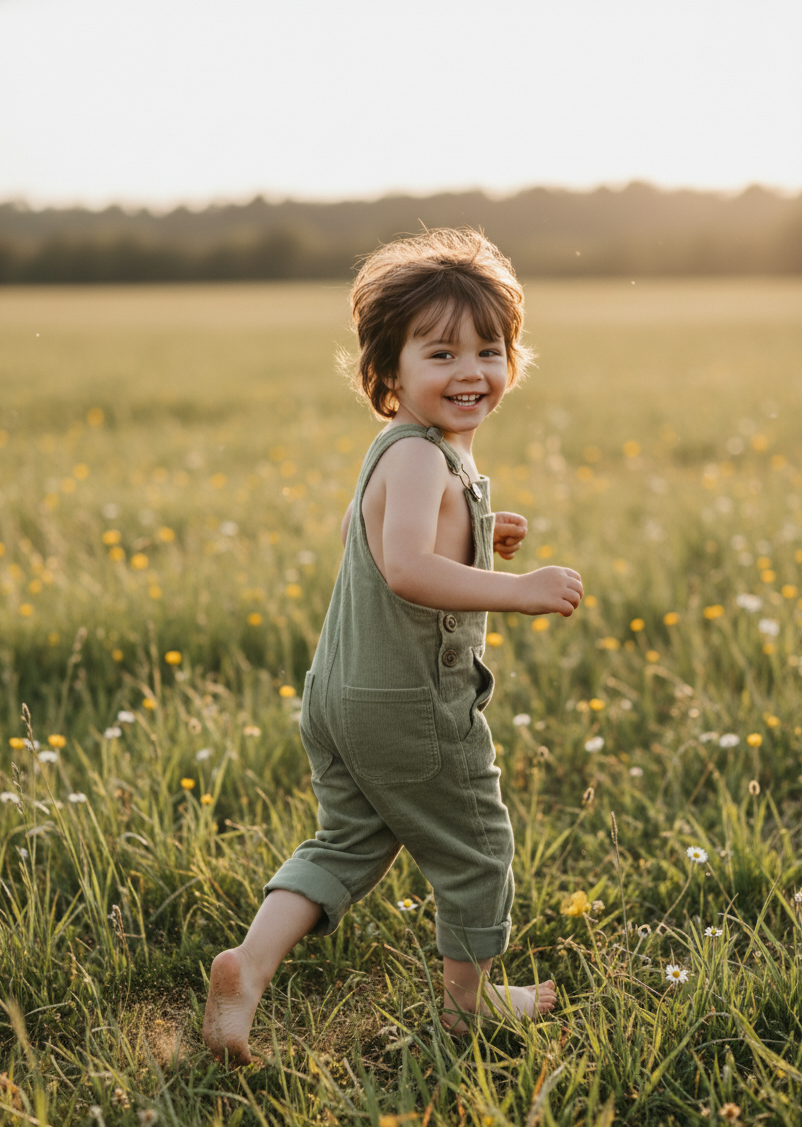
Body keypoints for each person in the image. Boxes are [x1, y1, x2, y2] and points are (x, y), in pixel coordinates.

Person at [203, 228, 583, 1064]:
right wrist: (516, 590)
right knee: (477, 844)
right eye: (441, 352)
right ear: (389, 373)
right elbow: (407, 568)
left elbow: (364, 532)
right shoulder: (421, 461)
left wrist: (483, 529)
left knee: (345, 842)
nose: (471, 371)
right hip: (410, 703)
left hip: (340, 695)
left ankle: (248, 967)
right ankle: (472, 1004)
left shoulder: (407, 456)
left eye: (490, 349)